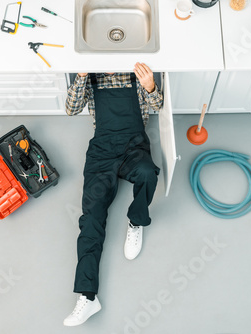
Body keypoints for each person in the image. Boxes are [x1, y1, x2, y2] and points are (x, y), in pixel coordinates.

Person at [62, 63, 163, 326]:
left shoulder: (135, 73)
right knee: (91, 218)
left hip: (133, 146)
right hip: (102, 152)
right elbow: (71, 109)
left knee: (147, 173)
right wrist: (82, 75)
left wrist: (150, 85)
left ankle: (136, 221)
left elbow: (158, 105)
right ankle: (87, 297)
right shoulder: (90, 77)